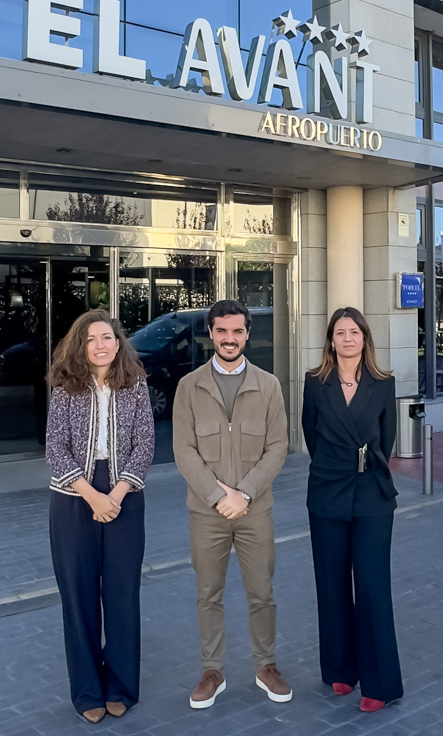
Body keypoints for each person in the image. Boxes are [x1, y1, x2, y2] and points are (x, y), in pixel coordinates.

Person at [173, 299, 291, 710]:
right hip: (207, 514)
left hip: (255, 511)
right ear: (211, 333)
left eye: (237, 331)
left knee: (262, 592)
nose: (229, 338)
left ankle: (266, 666)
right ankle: (212, 670)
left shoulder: (269, 385)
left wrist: (245, 494)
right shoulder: (189, 387)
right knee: (209, 593)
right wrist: (219, 497)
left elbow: (278, 447)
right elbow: (184, 450)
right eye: (222, 331)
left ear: (247, 334)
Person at [45, 310, 154, 724]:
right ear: (81, 345)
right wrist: (93, 496)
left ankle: (121, 686)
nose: (101, 345)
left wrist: (119, 492)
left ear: (118, 342)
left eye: (107, 337)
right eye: (91, 339)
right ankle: (88, 689)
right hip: (75, 497)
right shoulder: (65, 385)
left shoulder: (135, 383)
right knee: (79, 596)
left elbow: (145, 444)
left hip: (125, 493)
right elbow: (55, 447)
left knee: (123, 595)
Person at [301, 307, 403, 713]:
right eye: (340, 332)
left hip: (372, 494)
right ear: (331, 340)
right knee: (331, 583)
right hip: (327, 491)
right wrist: (336, 467)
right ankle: (341, 669)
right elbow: (311, 436)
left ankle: (379, 683)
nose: (347, 338)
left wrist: (361, 468)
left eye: (354, 332)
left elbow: (388, 440)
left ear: (364, 339)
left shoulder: (383, 383)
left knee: (373, 587)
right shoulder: (314, 383)